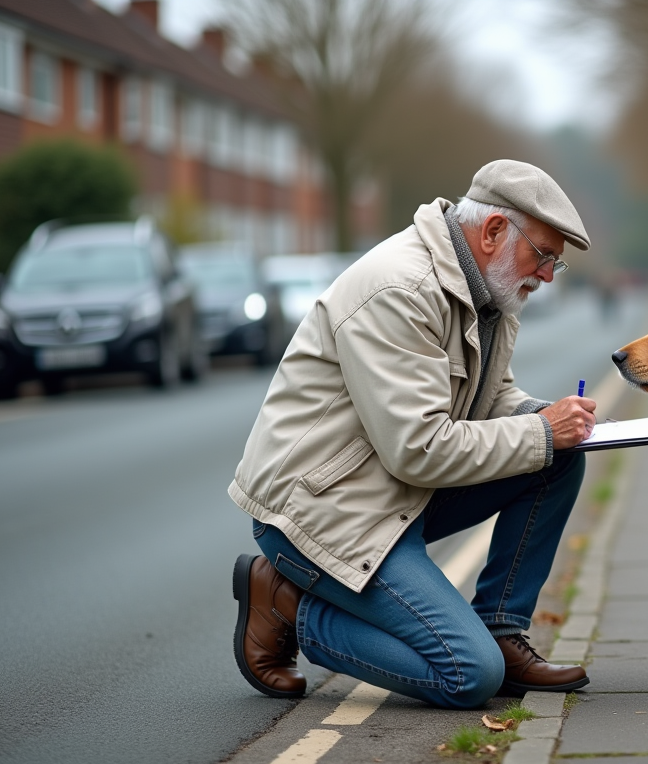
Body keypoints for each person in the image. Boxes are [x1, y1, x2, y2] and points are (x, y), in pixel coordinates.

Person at [228, 160, 598, 709]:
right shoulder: (400, 288)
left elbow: (493, 400)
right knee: (469, 676)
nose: (546, 274)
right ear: (494, 231)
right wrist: (542, 431)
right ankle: (287, 603)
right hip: (320, 510)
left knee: (557, 457)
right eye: (543, 255)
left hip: (392, 492)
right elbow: (418, 450)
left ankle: (501, 628)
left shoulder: (492, 289)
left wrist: (552, 419)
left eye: (554, 264)